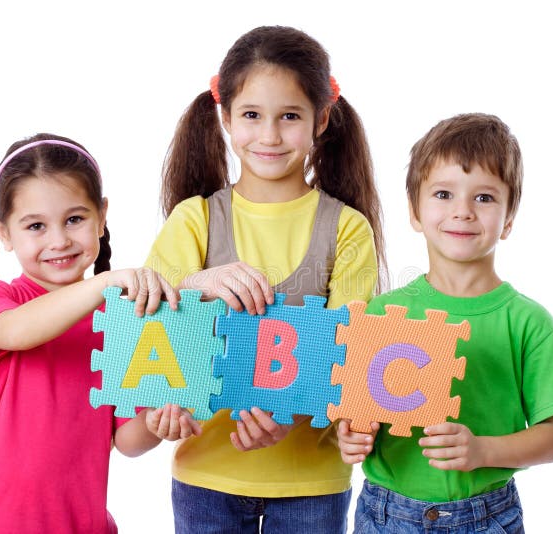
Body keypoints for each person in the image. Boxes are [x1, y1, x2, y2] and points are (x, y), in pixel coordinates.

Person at [124, 25, 385, 534]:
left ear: (321, 119)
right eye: (251, 116)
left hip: (311, 485)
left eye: (289, 116)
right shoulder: (194, 220)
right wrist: (162, 409)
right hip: (206, 478)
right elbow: (146, 335)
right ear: (225, 118)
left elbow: (353, 352)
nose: (269, 135)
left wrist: (293, 410)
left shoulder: (347, 228)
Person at [337, 113, 553, 533]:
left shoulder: (529, 323)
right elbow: (354, 412)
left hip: (486, 515)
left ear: (509, 218)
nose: (462, 211)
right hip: (385, 513)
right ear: (415, 212)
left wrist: (483, 450)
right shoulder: (379, 313)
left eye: (484, 198)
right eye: (443, 193)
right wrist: (349, 435)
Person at [0, 134, 200, 534]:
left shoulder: (123, 321)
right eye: (35, 225)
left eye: (75, 219)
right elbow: (18, 331)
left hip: (75, 521)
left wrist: (157, 423)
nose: (59, 241)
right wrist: (100, 285)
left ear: (101, 216)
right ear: (2, 230)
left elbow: (126, 439)